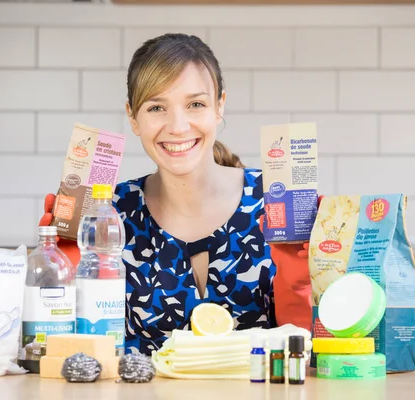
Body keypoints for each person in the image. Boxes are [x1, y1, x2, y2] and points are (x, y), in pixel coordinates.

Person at [40, 33, 314, 356]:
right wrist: (65, 277)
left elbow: (311, 354)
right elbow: (78, 359)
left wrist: (301, 284)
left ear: (220, 106)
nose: (178, 126)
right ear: (132, 117)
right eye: (157, 107)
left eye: (195, 104)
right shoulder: (109, 215)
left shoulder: (274, 201)